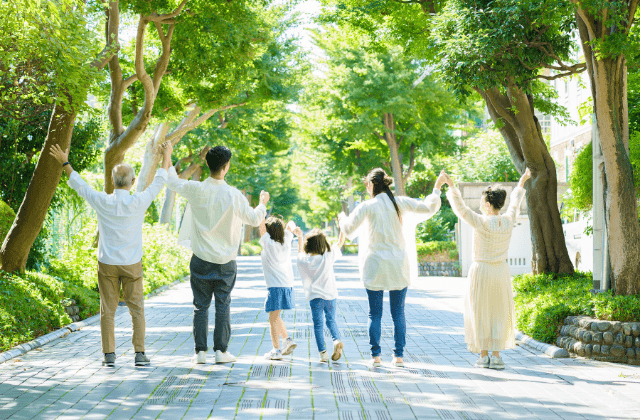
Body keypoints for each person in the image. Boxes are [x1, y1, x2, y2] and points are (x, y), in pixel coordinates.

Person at [49, 143, 171, 367]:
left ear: (113, 182)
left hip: (107, 264)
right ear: (133, 182)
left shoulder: (102, 201)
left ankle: (109, 355)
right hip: (132, 263)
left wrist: (65, 162)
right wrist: (167, 155)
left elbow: (81, 185)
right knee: (137, 309)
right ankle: (140, 354)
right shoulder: (138, 201)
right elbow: (159, 182)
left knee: (108, 310)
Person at [166, 145, 269, 365]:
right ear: (226, 167)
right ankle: (221, 351)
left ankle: (200, 352)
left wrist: (167, 154)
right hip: (225, 262)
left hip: (201, 258)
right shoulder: (234, 195)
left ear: (207, 164)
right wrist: (262, 205)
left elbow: (172, 182)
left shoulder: (196, 189)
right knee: (223, 304)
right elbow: (253, 218)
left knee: (200, 306)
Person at [339, 168, 445, 367]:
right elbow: (427, 208)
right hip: (397, 265)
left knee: (374, 313)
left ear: (370, 185)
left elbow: (349, 229)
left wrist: (341, 219)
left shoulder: (367, 206)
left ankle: (376, 357)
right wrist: (437, 188)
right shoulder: (400, 203)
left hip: (375, 266)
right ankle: (398, 356)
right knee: (398, 313)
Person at [440, 168, 531, 370]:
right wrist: (522, 181)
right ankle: (496, 356)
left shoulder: (481, 222)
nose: (481, 204)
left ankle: (483, 355)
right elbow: (515, 202)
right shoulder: (508, 220)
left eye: (483, 201)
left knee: (480, 311)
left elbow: (461, 209)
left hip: (481, 271)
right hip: (500, 271)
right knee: (498, 311)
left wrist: (452, 186)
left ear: (488, 205)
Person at [295, 227, 345, 363]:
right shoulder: (328, 257)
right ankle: (336, 340)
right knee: (331, 320)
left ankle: (323, 354)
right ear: (324, 244)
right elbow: (340, 242)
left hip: (315, 298)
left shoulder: (303, 261)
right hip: (330, 296)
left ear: (308, 245)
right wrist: (342, 226)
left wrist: (300, 238)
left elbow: (299, 253)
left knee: (318, 324)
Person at [259, 216, 297, 360]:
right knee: (275, 316)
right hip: (287, 285)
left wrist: (262, 204)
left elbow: (261, 226)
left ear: (268, 233)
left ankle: (276, 350)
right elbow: (290, 224)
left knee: (272, 318)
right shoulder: (286, 241)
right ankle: (287, 340)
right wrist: (293, 229)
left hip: (275, 286)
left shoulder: (268, 243)